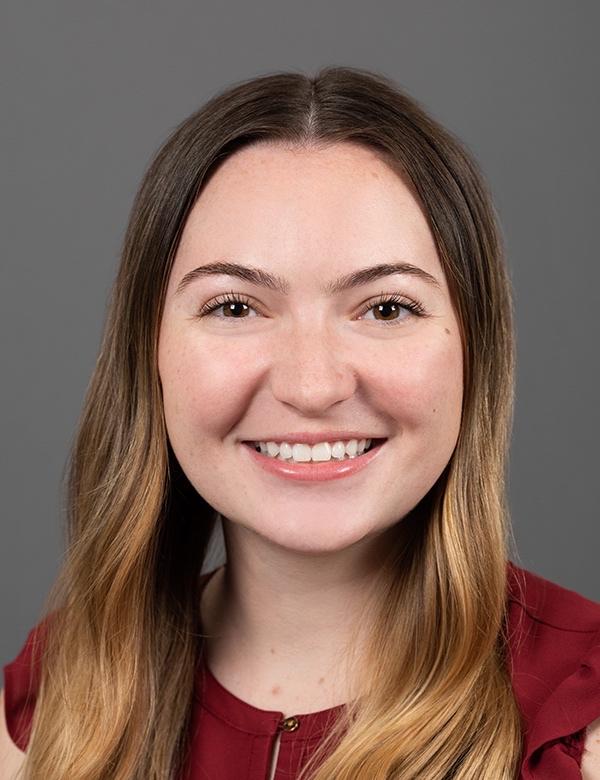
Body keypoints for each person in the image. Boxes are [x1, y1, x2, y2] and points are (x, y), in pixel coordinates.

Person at [1, 66, 599, 780]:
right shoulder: (48, 715)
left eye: (386, 308)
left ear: (476, 351)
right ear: (149, 353)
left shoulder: (579, 726)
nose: (312, 386)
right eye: (234, 307)